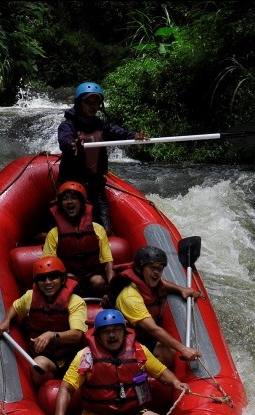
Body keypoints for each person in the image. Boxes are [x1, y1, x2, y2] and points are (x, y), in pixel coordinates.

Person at [48, 309, 187, 415]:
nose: (112, 335)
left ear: (124, 332)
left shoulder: (139, 350)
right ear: (98, 335)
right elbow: (66, 388)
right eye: (106, 332)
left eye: (116, 330)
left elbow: (161, 372)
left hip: (133, 414)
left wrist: (176, 382)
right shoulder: (85, 356)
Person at [57, 81, 148, 233]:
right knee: (70, 227)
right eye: (88, 102)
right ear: (80, 103)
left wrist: (132, 136)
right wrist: (72, 144)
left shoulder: (101, 124)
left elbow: (118, 131)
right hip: (72, 183)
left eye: (96, 102)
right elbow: (64, 141)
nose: (93, 106)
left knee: (105, 227)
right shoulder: (68, 125)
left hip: (95, 182)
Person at [0, 256, 87, 387]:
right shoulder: (30, 297)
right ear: (36, 282)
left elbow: (77, 335)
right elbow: (15, 307)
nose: (47, 282)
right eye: (42, 278)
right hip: (46, 358)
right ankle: (46, 390)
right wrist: (6, 321)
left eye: (53, 277)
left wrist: (51, 335)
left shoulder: (75, 301)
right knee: (38, 365)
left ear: (63, 278)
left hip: (71, 358)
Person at [110, 245, 203, 367]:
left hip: (143, 337)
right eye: (152, 268)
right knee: (166, 351)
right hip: (124, 342)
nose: (156, 272)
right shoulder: (130, 297)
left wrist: (181, 290)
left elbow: (161, 283)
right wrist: (183, 349)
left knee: (166, 353)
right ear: (140, 269)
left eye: (160, 268)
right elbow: (153, 329)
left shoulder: (147, 280)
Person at [42, 181, 113, 298]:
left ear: (82, 203)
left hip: (93, 276)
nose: (69, 201)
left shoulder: (98, 229)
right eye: (65, 198)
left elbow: (108, 262)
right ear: (60, 205)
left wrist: (112, 285)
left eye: (74, 198)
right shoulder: (53, 234)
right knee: (70, 280)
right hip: (68, 277)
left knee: (98, 281)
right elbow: (48, 265)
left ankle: (105, 302)